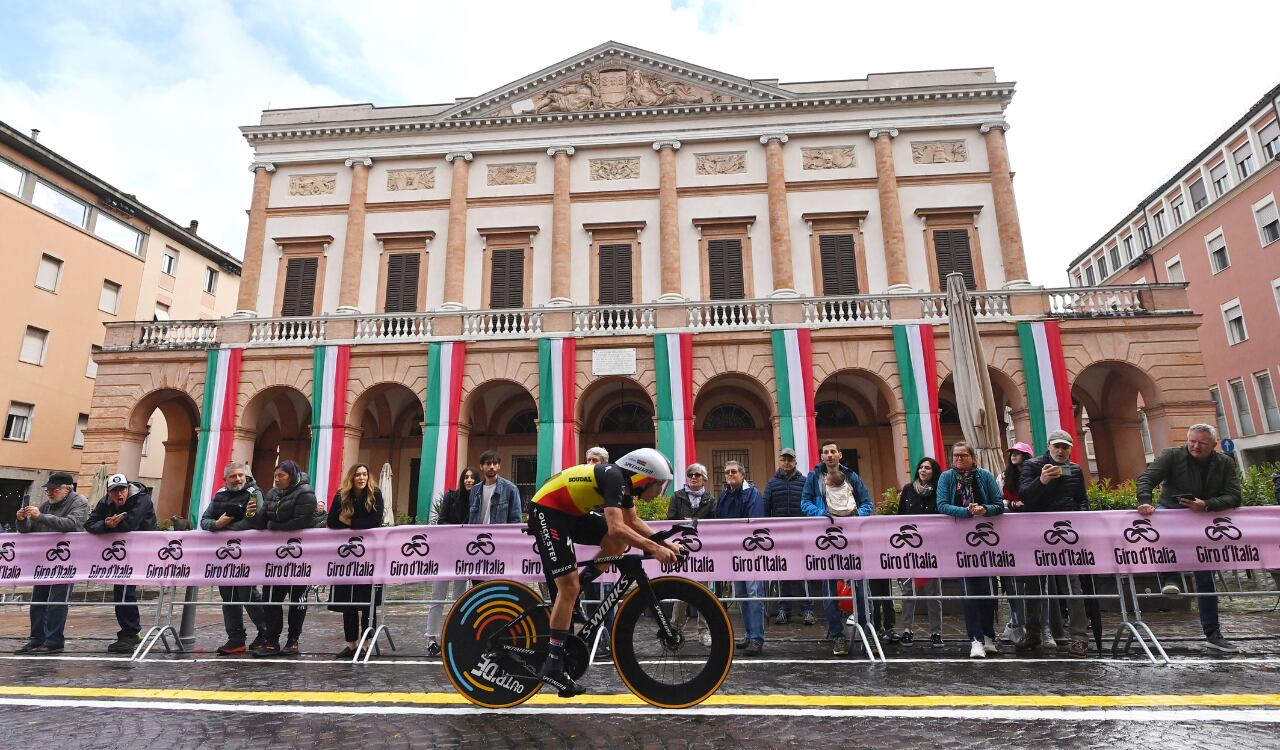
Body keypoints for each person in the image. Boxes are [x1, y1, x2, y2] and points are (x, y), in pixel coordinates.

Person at [527, 448, 678, 697]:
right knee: (569, 586)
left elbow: (633, 521)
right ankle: (553, 664)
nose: (660, 492)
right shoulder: (615, 478)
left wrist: (665, 544)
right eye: (659, 485)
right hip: (547, 511)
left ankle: (578, 587)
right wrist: (653, 548)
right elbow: (617, 526)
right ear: (645, 477)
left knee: (616, 545)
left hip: (571, 512)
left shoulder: (624, 484)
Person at [1137, 424, 1241, 653]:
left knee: (1206, 578)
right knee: (1162, 533)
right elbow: (1147, 478)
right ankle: (1168, 578)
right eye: (1191, 441)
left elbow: (1235, 496)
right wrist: (1145, 500)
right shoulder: (1172, 455)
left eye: (1201, 443)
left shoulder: (1224, 463)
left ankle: (1213, 633)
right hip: (1171, 511)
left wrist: (1207, 505)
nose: (1195, 446)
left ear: (1213, 445)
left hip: (1204, 520)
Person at [1015, 431, 1091, 659]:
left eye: (1065, 447)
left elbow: (1082, 500)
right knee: (1034, 585)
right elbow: (1025, 496)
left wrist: (1082, 517)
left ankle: (1079, 638)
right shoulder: (1032, 466)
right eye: (1057, 446)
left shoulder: (1075, 470)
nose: (1061, 451)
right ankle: (1033, 633)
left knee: (1072, 585)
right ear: (1048, 446)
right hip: (1036, 534)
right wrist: (1042, 481)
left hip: (1066, 535)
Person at [801, 439, 872, 657]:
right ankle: (837, 634)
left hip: (852, 538)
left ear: (840, 454)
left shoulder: (852, 477)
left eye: (833, 451)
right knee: (829, 586)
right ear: (821, 456)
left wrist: (856, 517)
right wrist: (820, 515)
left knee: (858, 583)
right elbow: (805, 503)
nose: (830, 455)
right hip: (827, 538)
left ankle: (862, 628)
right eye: (826, 452)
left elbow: (867, 503)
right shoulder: (814, 478)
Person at [936, 442, 1004, 659]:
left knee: (988, 591)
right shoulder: (946, 477)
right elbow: (942, 504)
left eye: (963, 455)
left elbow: (998, 504)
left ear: (973, 458)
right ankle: (975, 639)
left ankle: (988, 636)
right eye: (955, 456)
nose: (958, 459)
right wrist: (967, 511)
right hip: (960, 541)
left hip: (986, 539)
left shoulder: (984, 476)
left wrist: (985, 509)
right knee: (969, 591)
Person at [15, 472, 89, 655]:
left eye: (54, 490)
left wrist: (40, 517)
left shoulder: (80, 502)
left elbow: (72, 524)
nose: (49, 493)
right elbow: (29, 530)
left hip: (66, 560)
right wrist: (21, 520)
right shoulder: (47, 505)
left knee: (57, 601)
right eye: (48, 489)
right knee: (37, 601)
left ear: (68, 489)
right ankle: (37, 638)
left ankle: (54, 640)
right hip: (43, 561)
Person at [199, 462, 268, 655]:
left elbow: (254, 520)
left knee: (248, 595)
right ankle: (236, 639)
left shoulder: (254, 493)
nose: (237, 479)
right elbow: (205, 520)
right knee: (228, 598)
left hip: (247, 554)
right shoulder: (220, 495)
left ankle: (266, 631)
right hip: (225, 558)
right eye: (233, 476)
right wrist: (217, 523)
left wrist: (226, 528)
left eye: (240, 475)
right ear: (226, 479)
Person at [85, 473, 157, 654]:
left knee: (125, 591)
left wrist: (107, 526)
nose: (119, 495)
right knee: (121, 591)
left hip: (142, 551)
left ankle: (131, 632)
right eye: (114, 491)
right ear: (109, 493)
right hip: (121, 553)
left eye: (122, 490)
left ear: (128, 488)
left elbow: (129, 525)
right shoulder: (105, 502)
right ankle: (129, 632)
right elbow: (89, 524)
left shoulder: (142, 499)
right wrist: (105, 525)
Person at [251, 460, 317, 657]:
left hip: (300, 557)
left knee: (297, 600)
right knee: (271, 599)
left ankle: (293, 639)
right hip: (275, 559)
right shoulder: (272, 494)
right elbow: (261, 519)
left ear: (292, 475)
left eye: (281, 476)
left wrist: (273, 526)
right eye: (276, 476)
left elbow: (300, 522)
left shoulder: (306, 494)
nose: (277, 479)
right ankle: (271, 640)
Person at [327, 463, 385, 659]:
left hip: (369, 556)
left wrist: (349, 522)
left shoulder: (375, 494)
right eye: (358, 475)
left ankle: (367, 643)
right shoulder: (341, 495)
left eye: (364, 475)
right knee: (348, 602)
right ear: (351, 478)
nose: (362, 478)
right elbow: (332, 521)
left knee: (367, 601)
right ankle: (351, 644)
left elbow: (374, 522)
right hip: (345, 556)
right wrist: (351, 524)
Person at [424, 466, 479, 657]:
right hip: (445, 553)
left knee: (459, 598)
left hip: (465, 556)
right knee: (437, 596)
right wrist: (460, 529)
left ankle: (456, 635)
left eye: (472, 477)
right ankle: (431, 638)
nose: (469, 480)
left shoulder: (479, 501)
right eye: (466, 477)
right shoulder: (451, 497)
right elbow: (442, 520)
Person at [716, 461, 767, 656]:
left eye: (734, 472)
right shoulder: (724, 495)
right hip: (734, 554)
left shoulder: (753, 493)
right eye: (727, 472)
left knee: (755, 596)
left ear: (743, 474)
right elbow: (718, 519)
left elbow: (754, 521)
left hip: (751, 552)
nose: (730, 474)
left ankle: (757, 638)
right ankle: (749, 634)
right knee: (742, 596)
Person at [666, 462, 716, 646]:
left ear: (704, 479)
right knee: (682, 590)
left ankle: (703, 631)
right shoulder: (677, 496)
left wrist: (696, 522)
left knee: (704, 591)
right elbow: (670, 520)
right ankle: (674, 629)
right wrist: (683, 522)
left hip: (703, 551)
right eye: (690, 474)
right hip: (682, 549)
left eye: (697, 475)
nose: (693, 477)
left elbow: (715, 522)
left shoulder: (711, 499)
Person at [897, 457, 944, 649]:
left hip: (932, 547)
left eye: (928, 468)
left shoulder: (939, 490)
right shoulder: (909, 489)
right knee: (908, 590)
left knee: (934, 591)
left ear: (934, 472)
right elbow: (900, 515)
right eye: (921, 467)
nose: (923, 470)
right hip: (910, 546)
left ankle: (936, 632)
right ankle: (907, 630)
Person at [764, 448, 814, 626]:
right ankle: (784, 610)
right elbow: (765, 509)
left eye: (790, 460)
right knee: (782, 573)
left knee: (802, 573)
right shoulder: (772, 483)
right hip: (779, 536)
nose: (787, 463)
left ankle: (807, 609)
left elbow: (810, 505)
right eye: (784, 459)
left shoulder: (805, 481)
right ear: (779, 461)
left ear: (795, 462)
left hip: (800, 535)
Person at [997, 442, 1033, 645]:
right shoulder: (1003, 477)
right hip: (1009, 534)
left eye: (1018, 453)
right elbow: (996, 499)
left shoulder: (1034, 475)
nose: (1013, 456)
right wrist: (1011, 504)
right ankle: (1015, 620)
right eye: (1012, 453)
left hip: (1031, 533)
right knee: (1012, 581)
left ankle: (1039, 625)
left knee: (1036, 582)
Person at [469, 450, 523, 525]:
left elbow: (516, 520)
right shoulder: (475, 489)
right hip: (478, 534)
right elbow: (471, 518)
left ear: (499, 466)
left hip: (499, 535)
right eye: (488, 463)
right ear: (481, 466)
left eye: (495, 463)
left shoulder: (510, 489)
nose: (492, 467)